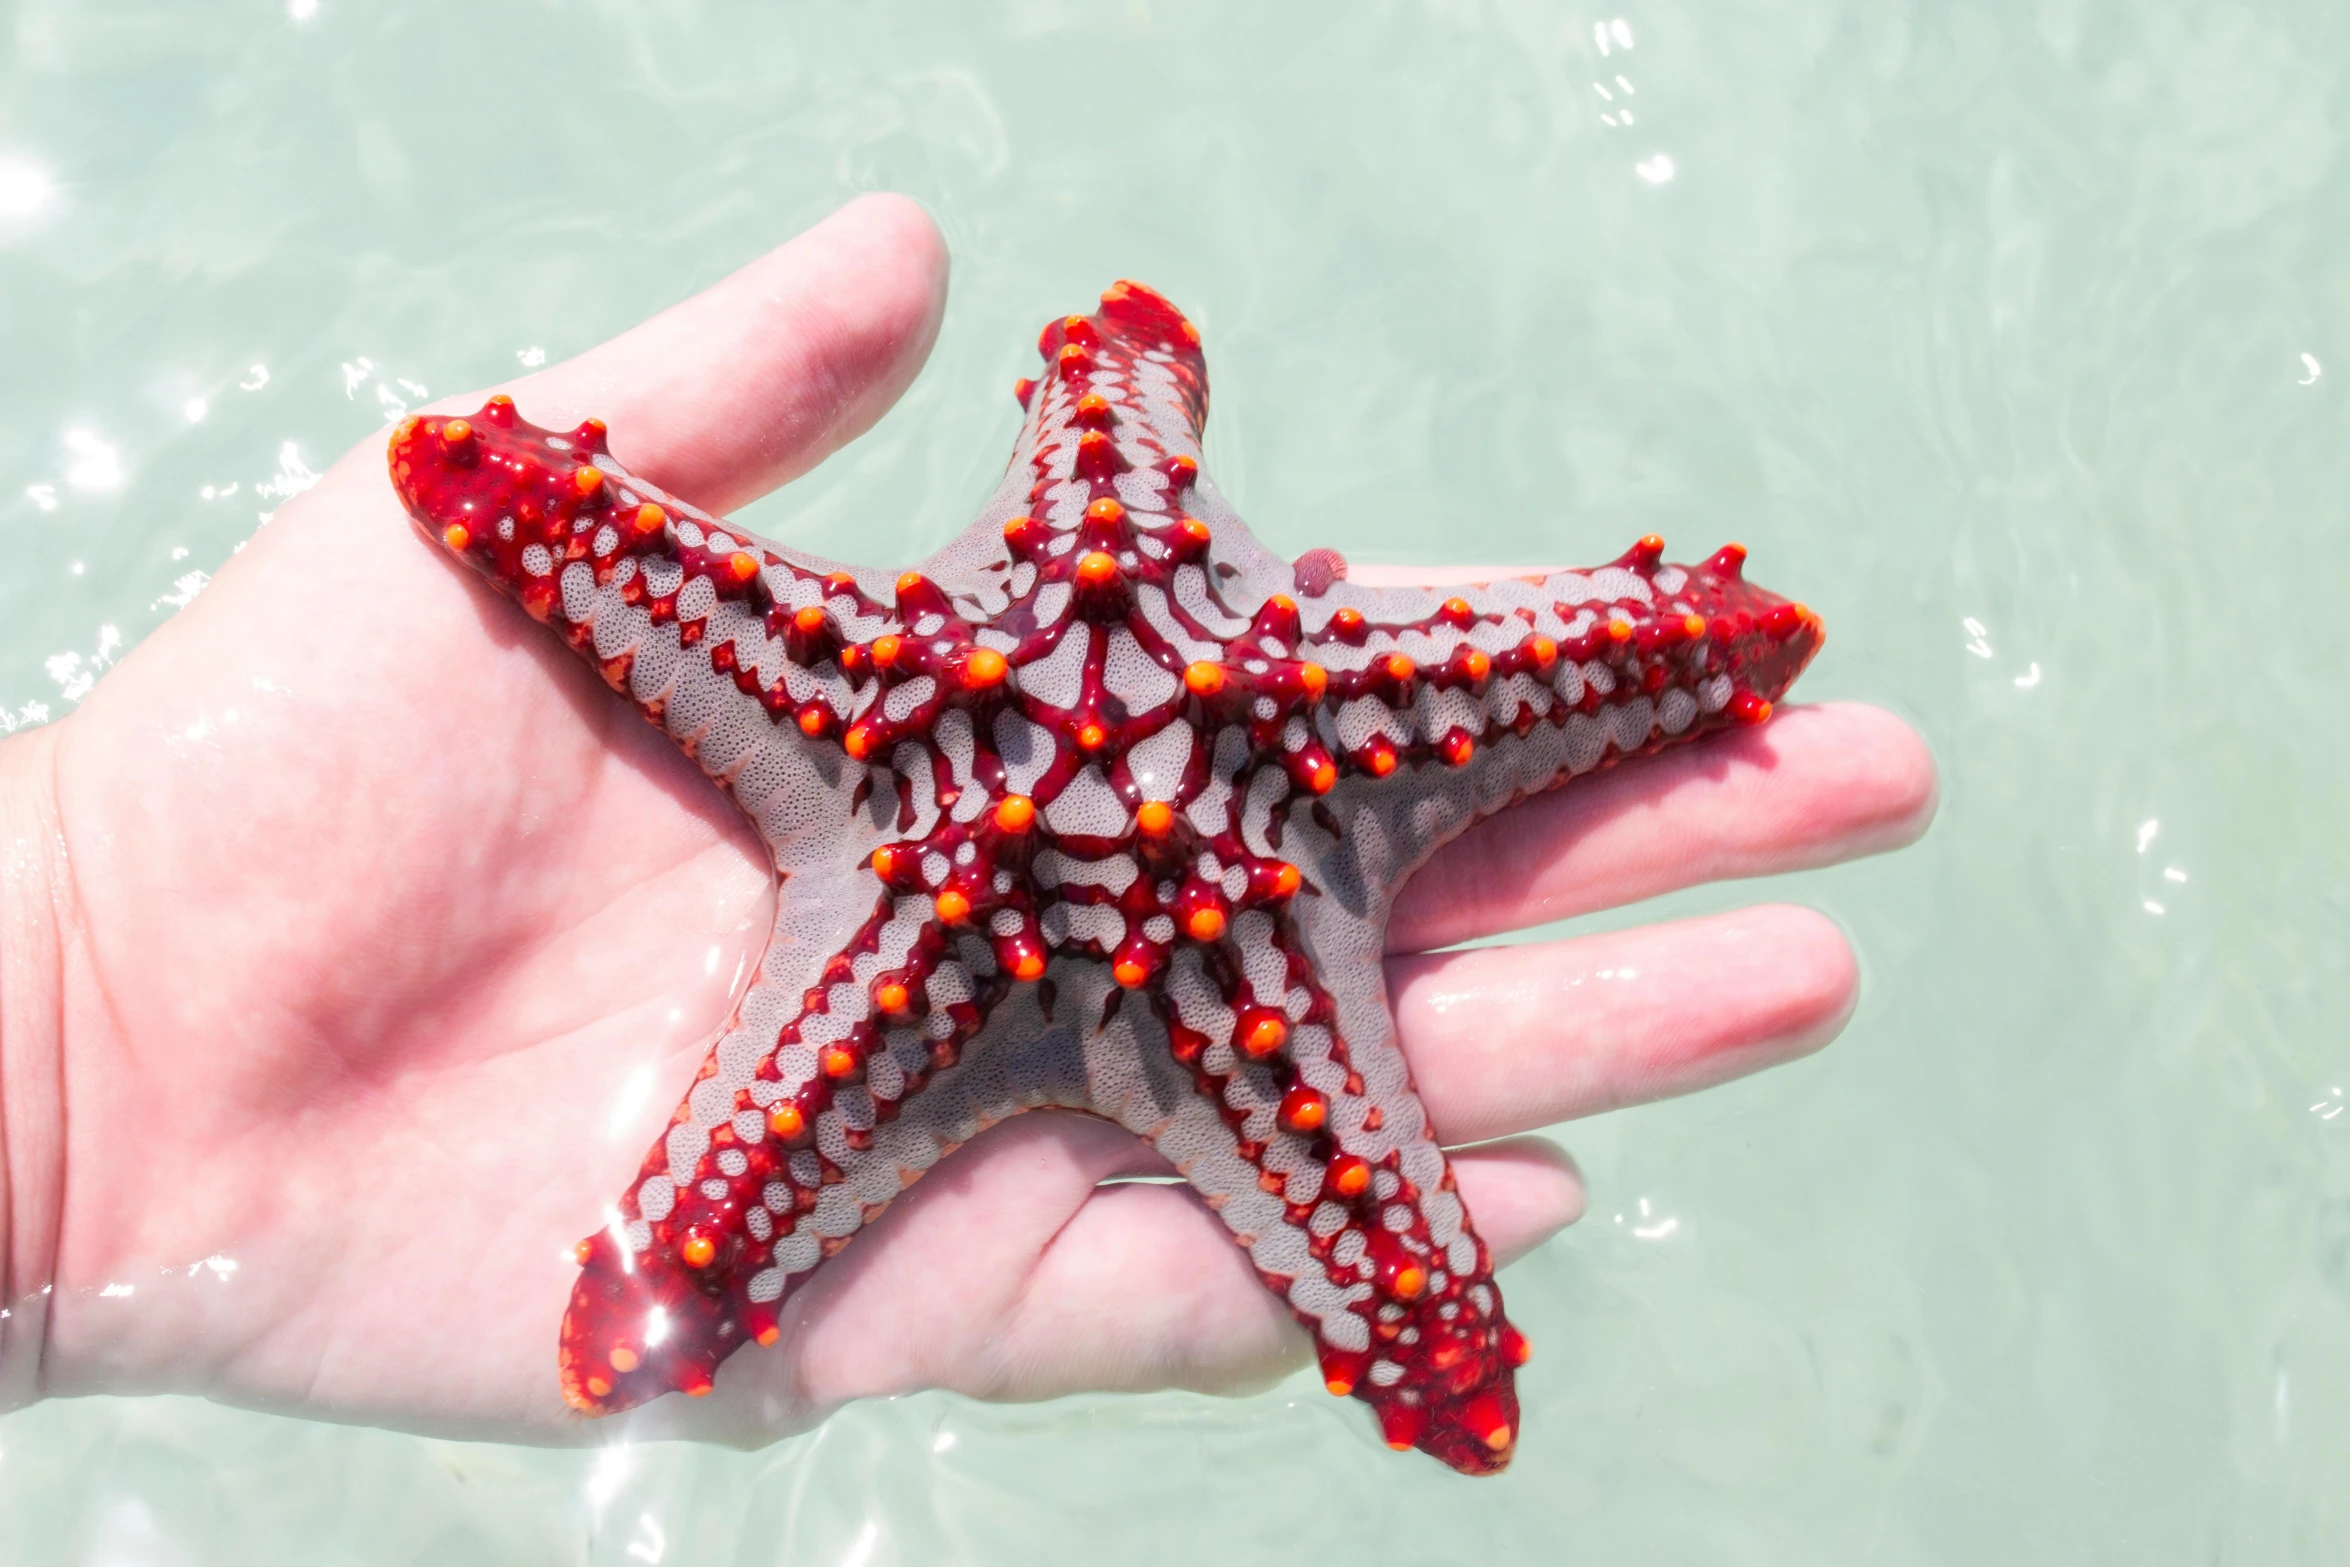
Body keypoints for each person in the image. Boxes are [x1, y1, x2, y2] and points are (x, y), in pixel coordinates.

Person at [0, 194, 1935, 1444]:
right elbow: (559, 503)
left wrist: (84, 1063)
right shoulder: (1281, 677)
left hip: (973, 841)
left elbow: (549, 500)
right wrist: (75, 1046)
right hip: (1189, 853)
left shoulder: (856, 675)